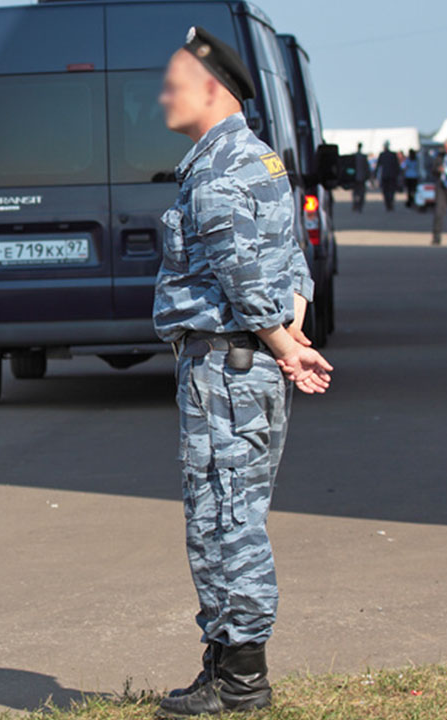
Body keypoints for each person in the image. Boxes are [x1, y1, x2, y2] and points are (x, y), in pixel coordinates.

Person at [153, 26, 333, 717]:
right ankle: (225, 663)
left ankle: (242, 681)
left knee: (225, 520)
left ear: (212, 89)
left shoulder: (225, 166)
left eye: (173, 83)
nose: (163, 95)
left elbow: (243, 276)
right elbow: (291, 269)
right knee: (227, 515)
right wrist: (288, 335)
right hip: (238, 363)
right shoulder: (257, 160)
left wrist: (284, 348)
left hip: (227, 368)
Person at [375, 142, 400, 211]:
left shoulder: (382, 155)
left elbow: (378, 166)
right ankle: (390, 203)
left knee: (386, 191)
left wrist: (375, 174)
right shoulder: (393, 155)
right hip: (391, 176)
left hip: (385, 176)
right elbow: (397, 166)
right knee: (391, 190)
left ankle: (388, 204)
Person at [351, 143, 369, 212]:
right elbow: (367, 168)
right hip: (362, 177)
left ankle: (355, 205)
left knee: (355, 193)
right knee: (361, 193)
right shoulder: (363, 156)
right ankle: (359, 206)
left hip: (355, 177)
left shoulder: (354, 156)